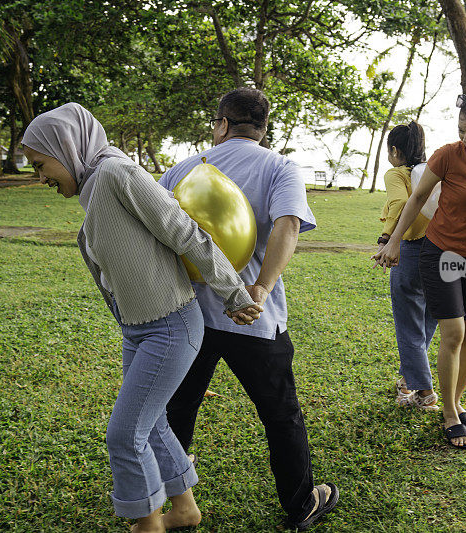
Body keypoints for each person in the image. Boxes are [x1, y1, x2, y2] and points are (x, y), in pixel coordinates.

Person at [21, 103, 263, 533]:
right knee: (149, 425)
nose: (41, 177)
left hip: (169, 327)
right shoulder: (95, 187)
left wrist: (233, 293)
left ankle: (146, 524)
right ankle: (185, 510)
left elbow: (185, 231)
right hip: (140, 329)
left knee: (124, 433)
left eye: (41, 164)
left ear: (66, 146)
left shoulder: (118, 175)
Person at [159, 88, 339, 531]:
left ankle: (172, 500)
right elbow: (289, 225)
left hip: (188, 315)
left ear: (221, 124)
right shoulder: (279, 166)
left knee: (177, 409)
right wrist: (260, 287)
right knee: (280, 414)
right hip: (253, 317)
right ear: (262, 128)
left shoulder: (182, 169)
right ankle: (301, 505)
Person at [373, 81, 466, 449]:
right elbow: (418, 198)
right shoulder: (447, 155)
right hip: (442, 252)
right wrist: (394, 240)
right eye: (461, 130)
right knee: (454, 333)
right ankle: (449, 414)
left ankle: (456, 402)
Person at [378, 121, 439, 411]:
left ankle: (424, 391)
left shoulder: (396, 173)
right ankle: (407, 381)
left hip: (412, 249)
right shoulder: (433, 172)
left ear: (394, 150)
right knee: (428, 318)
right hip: (443, 251)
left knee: (408, 323)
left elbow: (401, 202)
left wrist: (387, 238)